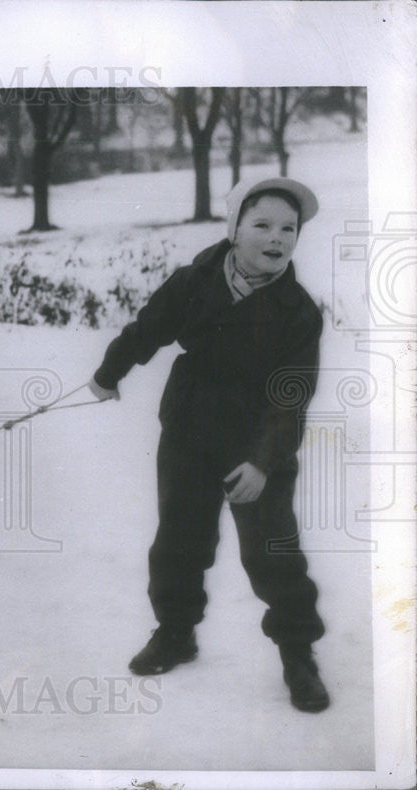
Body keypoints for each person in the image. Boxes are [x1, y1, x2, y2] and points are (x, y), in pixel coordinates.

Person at [87, 176, 330, 713]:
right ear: (234, 227)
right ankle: (176, 631)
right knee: (179, 537)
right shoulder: (195, 279)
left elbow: (291, 397)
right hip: (190, 426)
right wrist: (109, 372)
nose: (277, 237)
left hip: (257, 440)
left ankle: (297, 652)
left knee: (271, 550)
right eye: (262, 224)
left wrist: (264, 462)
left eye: (289, 228)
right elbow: (148, 328)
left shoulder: (298, 312)